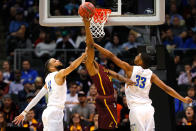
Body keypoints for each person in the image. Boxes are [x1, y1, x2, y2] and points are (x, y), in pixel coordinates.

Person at [93, 42, 193, 131]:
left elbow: (111, 56)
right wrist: (182, 99)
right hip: (148, 109)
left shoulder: (130, 69)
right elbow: (166, 88)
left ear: (141, 61)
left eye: (138, 55)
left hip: (136, 110)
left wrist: (95, 45)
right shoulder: (151, 75)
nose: (136, 56)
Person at [13, 51, 87, 131]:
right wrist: (83, 56)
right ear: (51, 68)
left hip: (50, 112)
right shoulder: (58, 74)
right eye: (55, 61)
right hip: (54, 113)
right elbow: (72, 67)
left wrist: (24, 112)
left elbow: (37, 98)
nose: (58, 60)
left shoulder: (48, 78)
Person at [82, 18, 134, 130]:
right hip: (105, 99)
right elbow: (90, 46)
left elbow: (115, 75)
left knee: (111, 125)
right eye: (86, 55)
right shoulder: (91, 68)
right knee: (109, 127)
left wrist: (126, 80)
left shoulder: (102, 67)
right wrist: (87, 24)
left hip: (110, 99)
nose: (87, 55)